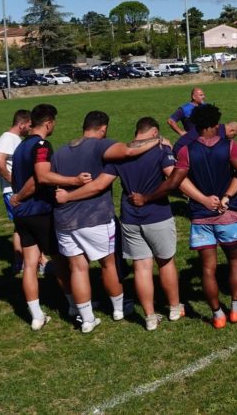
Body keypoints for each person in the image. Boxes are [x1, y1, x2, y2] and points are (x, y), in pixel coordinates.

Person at [134, 104, 237, 328]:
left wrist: (146, 198)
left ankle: (217, 315)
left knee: (208, 269)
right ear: (214, 124)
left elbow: (173, 183)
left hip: (200, 217)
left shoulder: (186, 150)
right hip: (227, 214)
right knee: (235, 262)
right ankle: (236, 309)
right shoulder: (229, 146)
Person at [50, 111, 155, 333]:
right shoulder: (99, 145)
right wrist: (157, 140)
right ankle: (118, 309)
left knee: (78, 268)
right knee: (108, 264)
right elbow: (128, 150)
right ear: (103, 129)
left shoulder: (60, 151)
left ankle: (87, 319)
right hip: (94, 217)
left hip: (64, 219)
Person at [7, 104, 93, 331]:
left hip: (22, 216)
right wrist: (74, 181)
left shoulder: (21, 146)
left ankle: (36, 316)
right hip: (40, 211)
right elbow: (41, 177)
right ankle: (74, 306)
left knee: (29, 265)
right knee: (61, 261)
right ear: (48, 123)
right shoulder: (42, 145)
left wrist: (17, 201)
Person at [110, 117, 183, 330]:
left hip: (130, 216)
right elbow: (171, 177)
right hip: (157, 213)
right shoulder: (160, 150)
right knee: (166, 262)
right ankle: (174, 307)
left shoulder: (121, 153)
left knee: (141, 267)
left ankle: (150, 317)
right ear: (153, 132)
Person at [0, 109, 39, 275]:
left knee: (21, 226)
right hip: (13, 191)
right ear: (21, 124)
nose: (30, 128)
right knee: (29, 224)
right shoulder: (7, 138)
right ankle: (39, 261)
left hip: (16, 191)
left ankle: (20, 261)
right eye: (29, 125)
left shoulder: (15, 139)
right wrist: (14, 182)